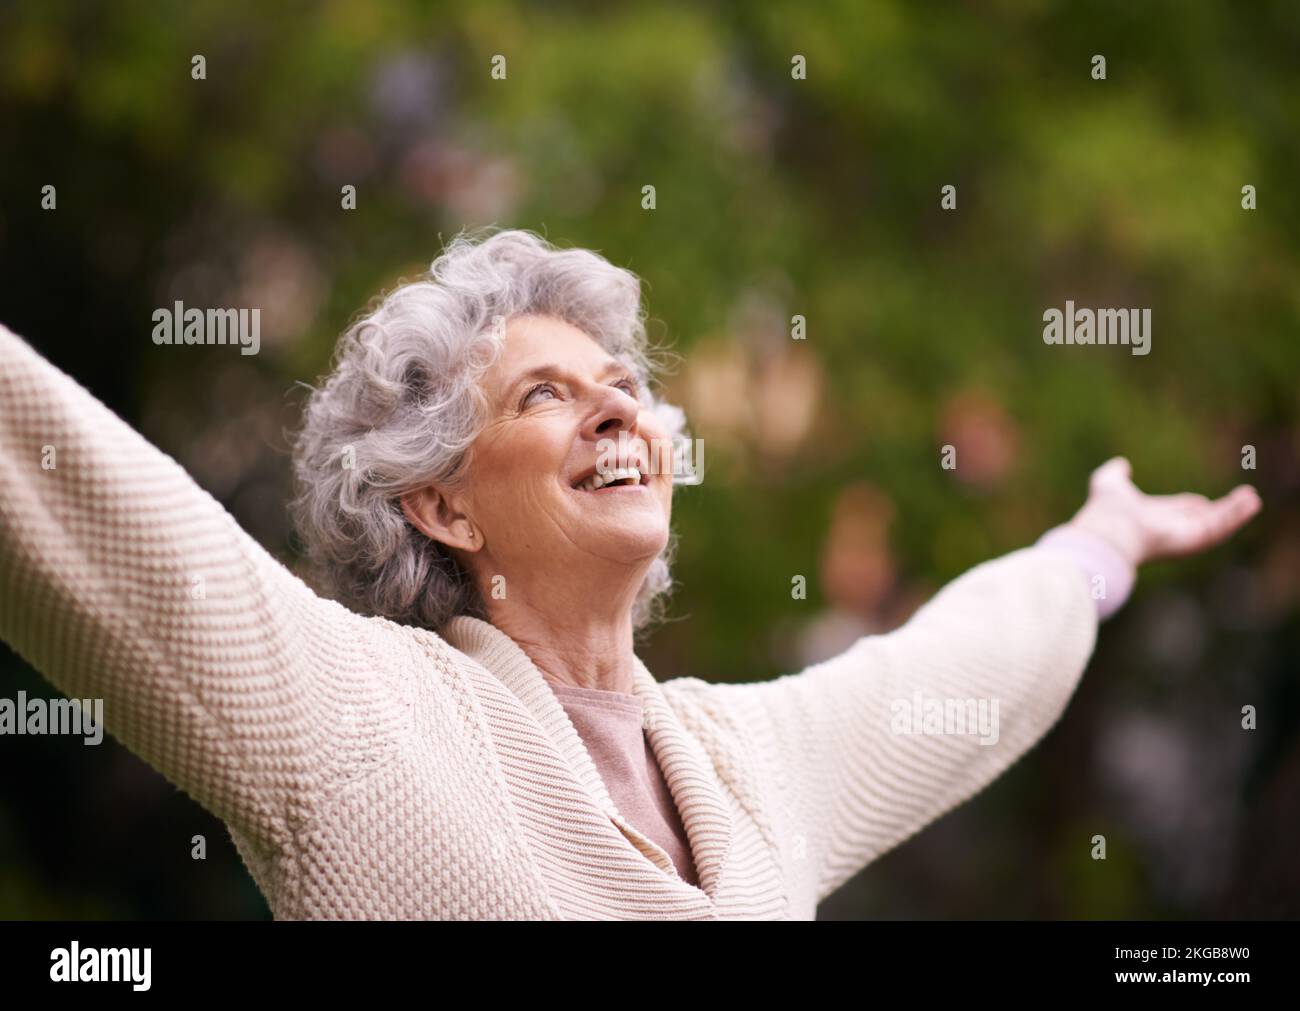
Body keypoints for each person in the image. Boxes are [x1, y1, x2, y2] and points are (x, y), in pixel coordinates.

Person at [0, 227, 1261, 919]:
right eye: (546, 396)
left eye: (625, 391)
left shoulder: (742, 766)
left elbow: (962, 667)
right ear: (441, 505)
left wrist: (1097, 550)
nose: (616, 414)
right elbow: (82, 501)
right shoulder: (357, 725)